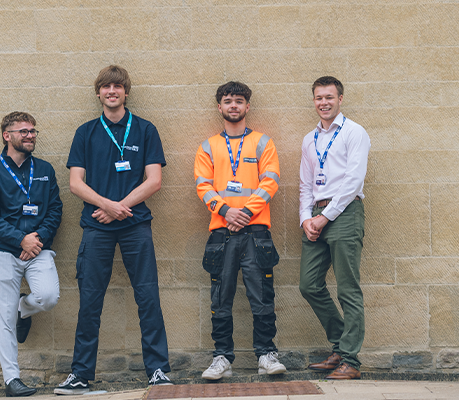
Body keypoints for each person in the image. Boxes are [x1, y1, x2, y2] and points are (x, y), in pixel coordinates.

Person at [54, 65, 172, 395]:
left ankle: (158, 370)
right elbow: (76, 183)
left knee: (147, 295)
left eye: (118, 87)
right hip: (97, 227)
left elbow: (154, 180)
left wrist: (120, 209)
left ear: (126, 92)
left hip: (135, 226)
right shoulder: (86, 132)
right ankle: (80, 375)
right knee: (90, 299)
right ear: (98, 93)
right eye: (106, 87)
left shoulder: (146, 130)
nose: (112, 91)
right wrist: (109, 206)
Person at [193, 81, 285, 381]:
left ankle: (266, 355)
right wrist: (226, 211)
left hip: (256, 232)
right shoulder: (208, 146)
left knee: (262, 297)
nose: (233, 105)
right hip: (222, 233)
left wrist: (244, 212)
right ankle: (222, 358)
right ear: (219, 107)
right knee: (220, 299)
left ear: (247, 107)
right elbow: (202, 185)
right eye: (228, 101)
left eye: (239, 101)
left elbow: (270, 180)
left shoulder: (262, 142)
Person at [0, 112, 63, 396]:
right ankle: (12, 379)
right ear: (6, 135)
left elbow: (56, 209)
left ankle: (22, 311)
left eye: (33, 131)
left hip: (38, 249)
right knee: (4, 315)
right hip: (5, 252)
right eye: (23, 131)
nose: (30, 135)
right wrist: (19, 240)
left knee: (48, 297)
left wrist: (37, 239)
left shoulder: (45, 169)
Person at [298, 76, 371, 380]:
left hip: (344, 212)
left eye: (329, 97)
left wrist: (324, 217)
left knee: (348, 289)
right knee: (308, 284)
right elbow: (304, 184)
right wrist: (306, 218)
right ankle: (342, 345)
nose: (323, 103)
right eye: (318, 98)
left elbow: (352, 181)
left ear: (340, 98)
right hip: (316, 215)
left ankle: (350, 361)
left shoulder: (355, 133)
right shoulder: (309, 139)